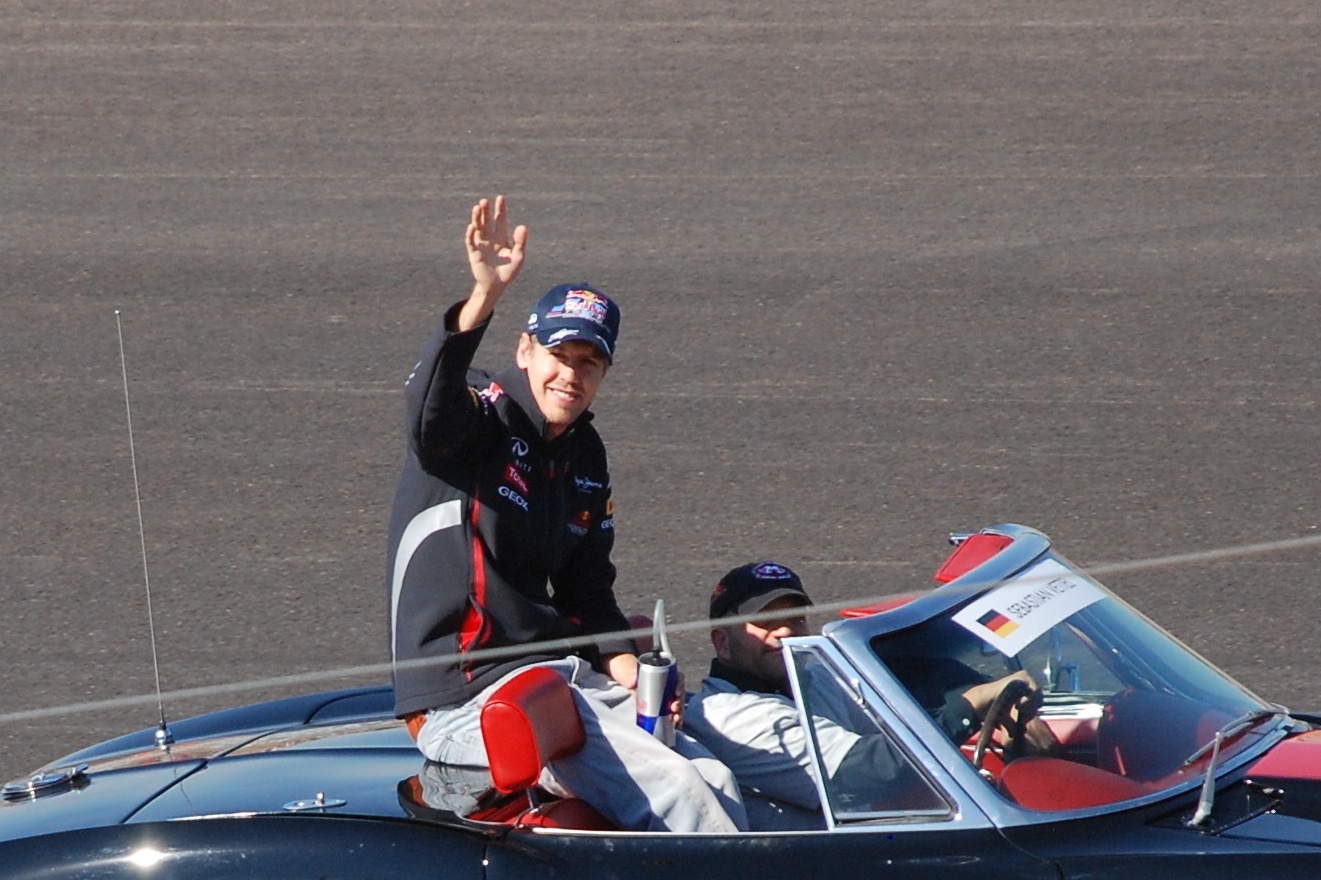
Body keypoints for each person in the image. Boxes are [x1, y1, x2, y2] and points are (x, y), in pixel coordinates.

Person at [386, 195, 745, 834]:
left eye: (590, 363)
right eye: (559, 355)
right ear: (525, 350)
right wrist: (481, 300)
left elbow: (587, 594)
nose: (571, 376)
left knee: (715, 775)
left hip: (557, 675)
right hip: (469, 697)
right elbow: (426, 410)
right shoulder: (480, 419)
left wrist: (634, 674)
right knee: (680, 790)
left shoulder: (583, 452)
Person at [684, 561, 1055, 830]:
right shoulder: (727, 715)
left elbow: (916, 682)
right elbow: (865, 773)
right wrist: (973, 704)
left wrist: (1004, 700)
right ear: (723, 642)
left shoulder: (811, 674)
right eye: (764, 623)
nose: (784, 632)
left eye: (796, 619)